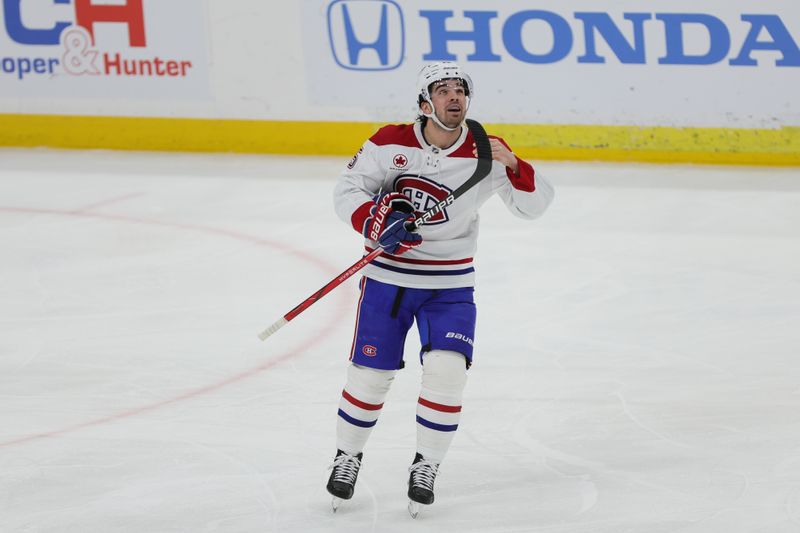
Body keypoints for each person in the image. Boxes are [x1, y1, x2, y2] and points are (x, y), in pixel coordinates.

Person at [326, 61, 554, 513]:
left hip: (450, 285)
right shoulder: (389, 141)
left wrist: (516, 166)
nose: (455, 98)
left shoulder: (487, 150)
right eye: (444, 90)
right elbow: (347, 190)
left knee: (448, 375)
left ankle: (426, 464)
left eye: (460, 90)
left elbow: (535, 207)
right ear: (424, 102)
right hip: (389, 279)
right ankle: (347, 456)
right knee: (370, 377)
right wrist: (377, 218)